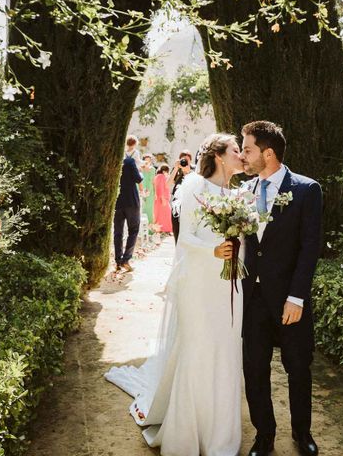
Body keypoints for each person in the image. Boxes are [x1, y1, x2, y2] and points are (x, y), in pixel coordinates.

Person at [105, 133, 246, 456]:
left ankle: (219, 435)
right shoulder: (196, 186)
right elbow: (186, 241)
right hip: (199, 284)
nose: (241, 154)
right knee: (198, 351)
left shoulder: (239, 194)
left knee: (225, 353)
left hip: (229, 285)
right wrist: (214, 249)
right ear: (220, 157)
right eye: (235, 149)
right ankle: (188, 432)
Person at [240, 121, 322, 456]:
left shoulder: (306, 190)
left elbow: (310, 248)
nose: (243, 156)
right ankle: (265, 434)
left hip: (290, 300)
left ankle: (303, 434)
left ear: (268, 153)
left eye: (247, 149)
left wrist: (296, 297)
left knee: (298, 368)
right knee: (254, 369)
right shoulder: (243, 193)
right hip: (253, 300)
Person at [114, 139, 144, 272]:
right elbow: (138, 179)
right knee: (133, 230)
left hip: (118, 201)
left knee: (118, 232)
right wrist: (141, 171)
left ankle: (118, 260)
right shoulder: (130, 162)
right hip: (131, 201)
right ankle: (126, 259)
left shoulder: (115, 161)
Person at [167, 150, 194, 243]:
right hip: (176, 205)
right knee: (176, 229)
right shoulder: (177, 171)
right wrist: (175, 168)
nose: (185, 162)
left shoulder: (194, 170)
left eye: (187, 160)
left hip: (189, 204)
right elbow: (167, 185)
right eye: (183, 160)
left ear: (190, 161)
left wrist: (188, 171)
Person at [153, 164, 173, 234]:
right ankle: (165, 230)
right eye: (168, 172)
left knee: (161, 215)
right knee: (166, 215)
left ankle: (162, 230)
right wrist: (163, 198)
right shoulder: (161, 177)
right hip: (162, 199)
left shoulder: (157, 176)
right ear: (164, 171)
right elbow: (160, 188)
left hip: (159, 199)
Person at [141, 154, 156, 226]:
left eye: (149, 161)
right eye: (146, 161)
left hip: (150, 192)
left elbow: (153, 182)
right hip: (141, 191)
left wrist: (154, 193)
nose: (147, 162)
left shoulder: (152, 169)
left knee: (149, 210)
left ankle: (149, 229)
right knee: (141, 209)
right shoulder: (140, 169)